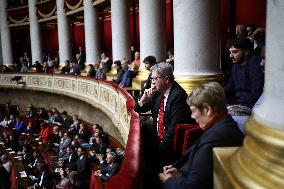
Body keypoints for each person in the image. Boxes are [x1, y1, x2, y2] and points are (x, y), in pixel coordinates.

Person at [159, 82, 244, 189]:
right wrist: (179, 173)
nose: (192, 116)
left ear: (207, 110)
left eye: (193, 111)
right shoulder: (225, 125)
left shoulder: (216, 137)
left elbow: (193, 186)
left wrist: (168, 180)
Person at [135, 62, 193, 167]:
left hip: (171, 149)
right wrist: (143, 100)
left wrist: (156, 153)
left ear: (166, 79)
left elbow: (173, 130)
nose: (152, 83)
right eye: (151, 79)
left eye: (154, 79)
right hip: (157, 139)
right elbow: (137, 109)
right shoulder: (157, 92)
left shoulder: (178, 96)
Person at [225, 38, 264, 108]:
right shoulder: (235, 65)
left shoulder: (254, 63)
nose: (231, 56)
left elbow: (257, 93)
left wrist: (237, 105)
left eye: (235, 52)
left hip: (252, 107)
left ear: (246, 52)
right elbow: (229, 88)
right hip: (238, 104)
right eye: (230, 52)